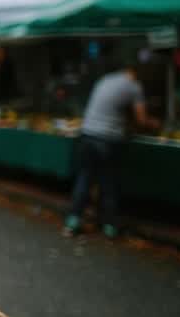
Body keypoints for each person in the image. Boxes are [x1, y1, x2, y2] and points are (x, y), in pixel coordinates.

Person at [64, 53, 159, 239]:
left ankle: (72, 221)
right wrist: (154, 123)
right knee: (109, 183)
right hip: (107, 139)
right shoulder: (134, 87)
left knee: (84, 179)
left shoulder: (106, 79)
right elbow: (142, 120)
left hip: (88, 134)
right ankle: (109, 226)